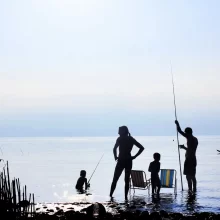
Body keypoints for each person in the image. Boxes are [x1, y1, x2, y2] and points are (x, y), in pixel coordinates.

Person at [109, 126, 144, 201]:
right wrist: (134, 156)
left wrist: (115, 157)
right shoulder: (130, 139)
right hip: (128, 160)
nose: (118, 132)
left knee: (115, 179)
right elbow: (141, 148)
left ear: (123, 131)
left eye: (119, 131)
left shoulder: (120, 139)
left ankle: (110, 196)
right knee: (126, 180)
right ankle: (125, 198)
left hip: (121, 161)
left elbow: (114, 148)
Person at [175, 120, 198, 192]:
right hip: (193, 159)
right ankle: (193, 190)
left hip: (189, 159)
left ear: (188, 133)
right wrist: (184, 148)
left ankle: (190, 190)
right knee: (192, 176)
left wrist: (177, 124)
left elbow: (179, 131)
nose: (185, 134)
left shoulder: (189, 137)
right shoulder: (195, 139)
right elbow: (191, 150)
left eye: (185, 133)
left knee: (188, 177)